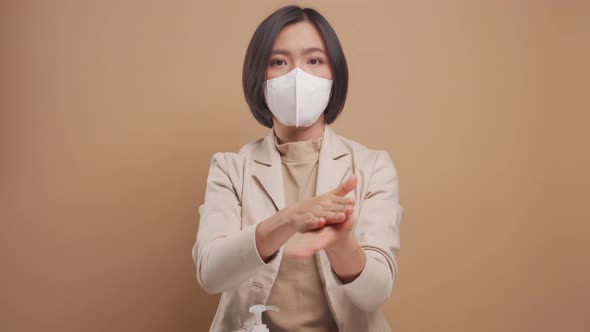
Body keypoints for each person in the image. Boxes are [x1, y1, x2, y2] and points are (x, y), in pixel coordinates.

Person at [192, 5, 403, 332]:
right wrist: (286, 220)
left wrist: (340, 242)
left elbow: (375, 295)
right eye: (278, 62)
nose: (297, 75)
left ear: (336, 75)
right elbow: (211, 274)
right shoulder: (230, 168)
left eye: (314, 60)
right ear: (257, 76)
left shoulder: (372, 167)